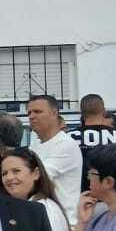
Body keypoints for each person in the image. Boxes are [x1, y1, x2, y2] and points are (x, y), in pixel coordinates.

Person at [28, 94, 82, 223]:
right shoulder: (35, 145)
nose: (31, 116)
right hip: (41, 219)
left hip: (63, 222)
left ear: (54, 113)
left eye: (37, 112)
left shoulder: (65, 145)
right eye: (29, 112)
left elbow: (37, 179)